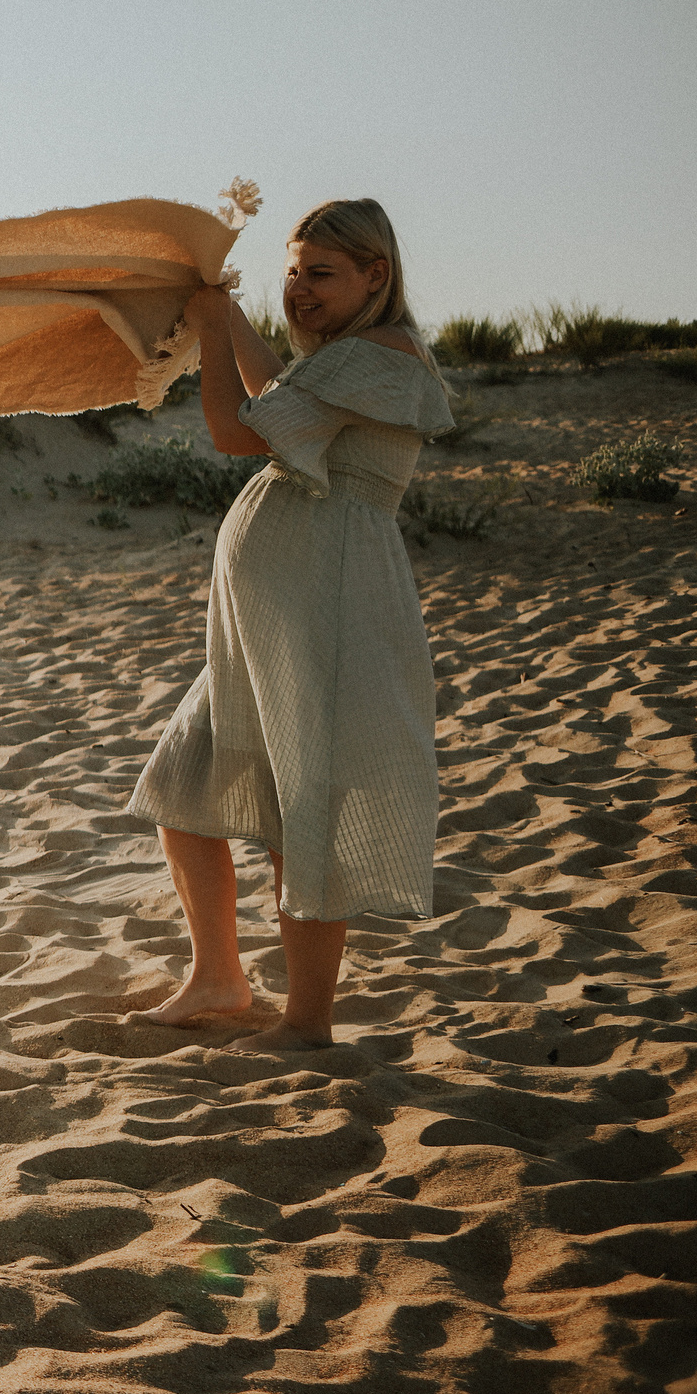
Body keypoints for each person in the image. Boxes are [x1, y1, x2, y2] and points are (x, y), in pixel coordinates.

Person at [128, 199, 452, 1051]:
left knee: (303, 803)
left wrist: (211, 325)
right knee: (185, 784)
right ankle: (219, 976)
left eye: (323, 273)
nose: (300, 290)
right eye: (295, 270)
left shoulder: (387, 355)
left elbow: (239, 428)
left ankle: (307, 1024)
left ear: (376, 275)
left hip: (330, 603)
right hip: (270, 617)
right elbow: (281, 394)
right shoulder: (342, 360)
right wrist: (225, 314)